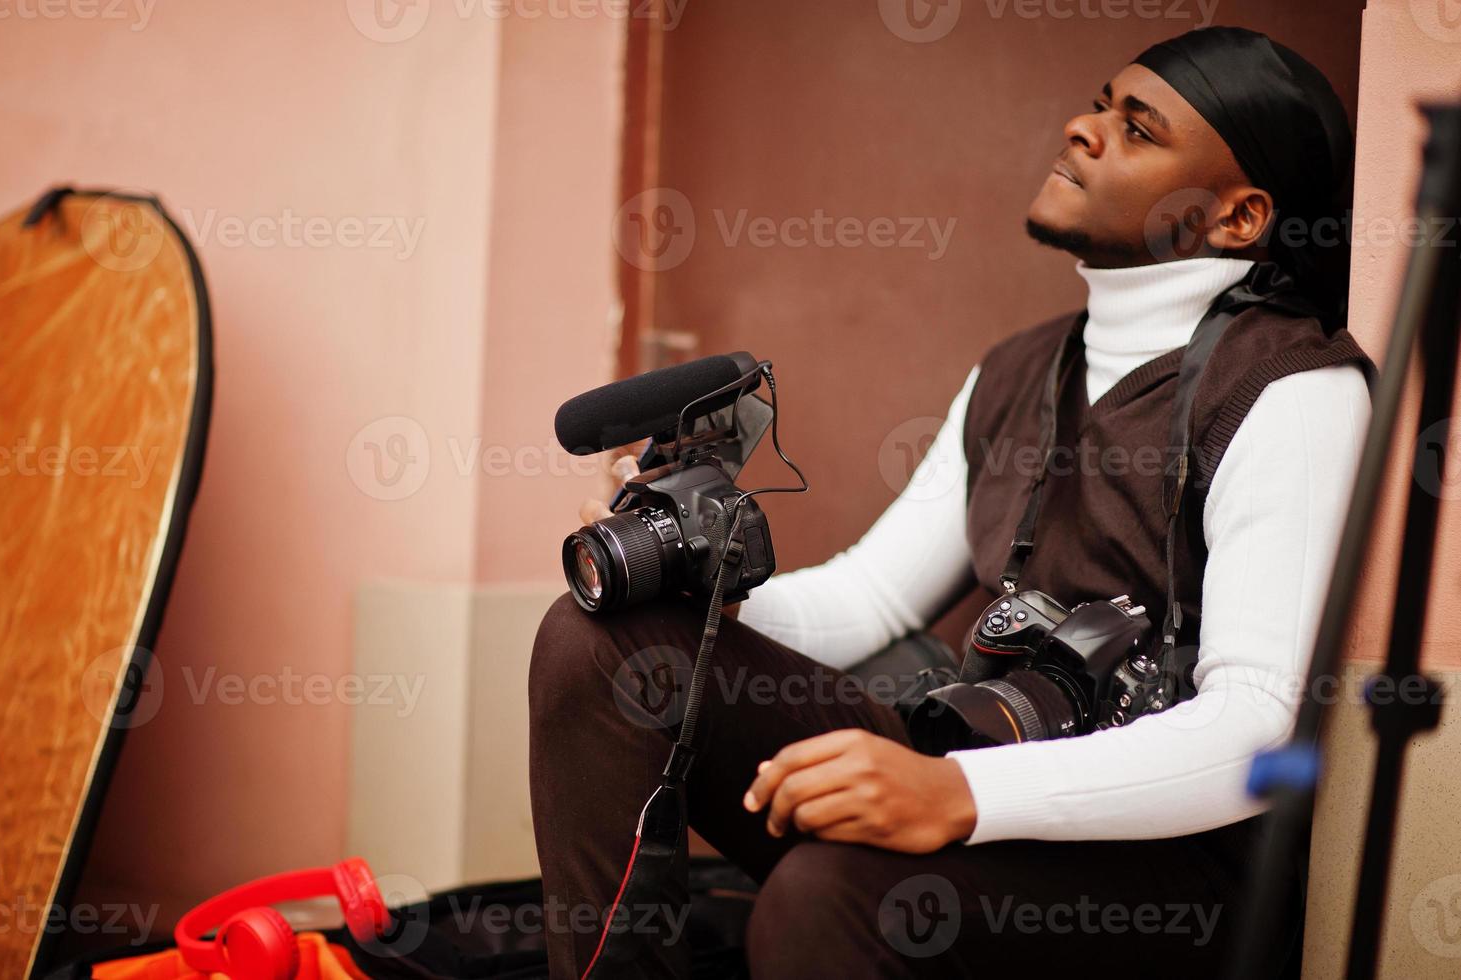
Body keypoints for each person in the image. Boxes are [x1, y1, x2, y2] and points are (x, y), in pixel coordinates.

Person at [529, 25, 1375, 979]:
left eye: (1137, 129)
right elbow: (870, 600)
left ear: (1237, 216)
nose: (1082, 128)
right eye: (1100, 103)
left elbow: (1258, 723)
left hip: (1169, 869)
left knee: (824, 894)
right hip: (973, 756)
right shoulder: (1019, 367)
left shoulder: (1295, 390)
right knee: (594, 640)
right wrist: (692, 575)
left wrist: (956, 794)